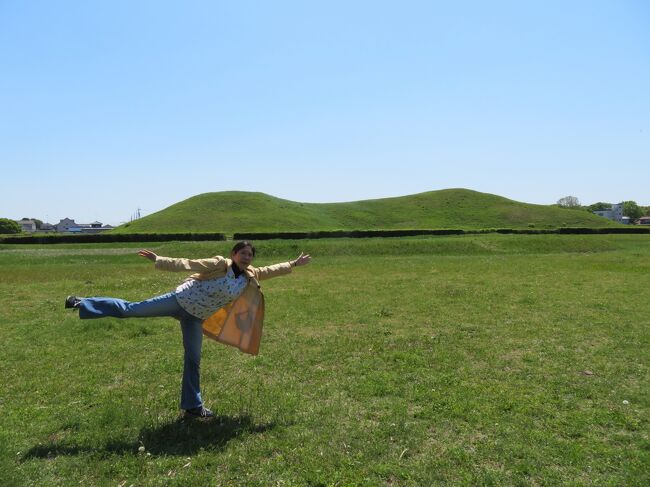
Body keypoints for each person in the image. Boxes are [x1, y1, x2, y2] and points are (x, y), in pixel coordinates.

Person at [65, 241, 311, 418]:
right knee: (131, 310)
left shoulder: (250, 275)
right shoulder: (219, 264)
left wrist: (293, 263)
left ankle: (193, 405)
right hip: (179, 300)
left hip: (196, 317)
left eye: (250, 255)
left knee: (193, 360)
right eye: (243, 253)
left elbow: (270, 270)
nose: (247, 257)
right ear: (233, 253)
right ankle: (82, 302)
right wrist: (158, 260)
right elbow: (188, 263)